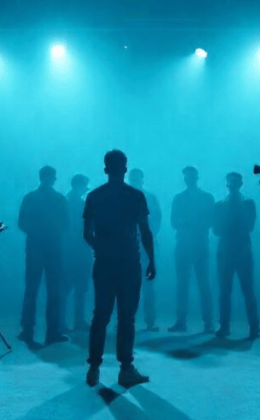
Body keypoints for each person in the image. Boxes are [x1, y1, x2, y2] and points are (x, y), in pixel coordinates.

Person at [84, 150, 157, 387]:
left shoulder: (94, 196)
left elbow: (87, 234)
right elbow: (145, 231)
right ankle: (125, 368)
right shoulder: (135, 195)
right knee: (127, 317)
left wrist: (101, 249)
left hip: (105, 263)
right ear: (125, 168)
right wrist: (151, 260)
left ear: (105, 169)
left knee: (100, 316)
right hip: (129, 263)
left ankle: (94, 368)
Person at [18, 166, 69, 345]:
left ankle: (27, 330)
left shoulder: (30, 197)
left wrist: (36, 232)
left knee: (31, 289)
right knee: (54, 290)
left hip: (35, 247)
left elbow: (21, 222)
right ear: (53, 178)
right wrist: (52, 232)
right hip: (54, 248)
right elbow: (66, 224)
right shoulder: (59, 199)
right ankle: (52, 331)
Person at [212, 172, 260, 339]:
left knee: (247, 290)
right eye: (230, 182)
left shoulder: (247, 203)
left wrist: (236, 207)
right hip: (227, 251)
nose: (232, 185)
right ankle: (225, 326)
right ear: (226, 184)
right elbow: (216, 230)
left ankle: (254, 327)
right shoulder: (220, 205)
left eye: (235, 182)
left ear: (240, 184)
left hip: (241, 252)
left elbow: (250, 226)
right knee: (225, 291)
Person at [170, 166, 215, 333]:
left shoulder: (200, 197)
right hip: (189, 245)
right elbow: (173, 222)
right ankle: (198, 322)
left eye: (191, 177)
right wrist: (194, 223)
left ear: (196, 177)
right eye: (187, 177)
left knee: (198, 285)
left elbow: (211, 221)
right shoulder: (202, 197)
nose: (189, 179)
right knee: (187, 285)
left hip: (194, 245)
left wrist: (187, 223)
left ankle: (204, 322)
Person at [129, 168, 163, 331]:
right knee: (127, 285)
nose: (135, 181)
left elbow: (157, 220)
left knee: (147, 285)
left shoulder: (150, 197)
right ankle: (128, 319)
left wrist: (148, 238)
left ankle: (149, 321)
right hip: (129, 246)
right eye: (133, 179)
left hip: (142, 245)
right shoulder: (124, 197)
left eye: (137, 178)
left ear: (142, 179)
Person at [62, 174, 93, 332]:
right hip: (79, 249)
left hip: (71, 249)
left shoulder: (66, 202)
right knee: (77, 286)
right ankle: (77, 321)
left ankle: (68, 321)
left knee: (71, 286)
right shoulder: (78, 204)